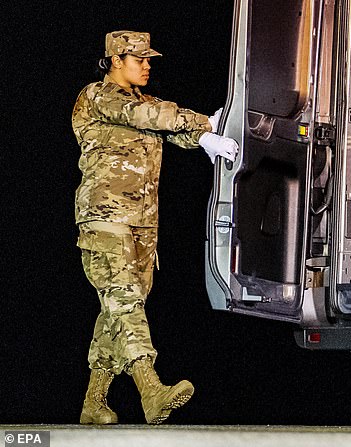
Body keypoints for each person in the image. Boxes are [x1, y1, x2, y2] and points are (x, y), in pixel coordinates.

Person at [71, 30, 238, 425]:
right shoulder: (98, 97)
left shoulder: (145, 103)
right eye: (139, 59)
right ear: (116, 60)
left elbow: (172, 127)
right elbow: (152, 118)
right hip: (105, 219)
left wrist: (205, 137)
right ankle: (151, 389)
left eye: (149, 59)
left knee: (122, 308)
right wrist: (207, 122)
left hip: (143, 223)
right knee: (124, 301)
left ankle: (94, 403)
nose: (147, 65)